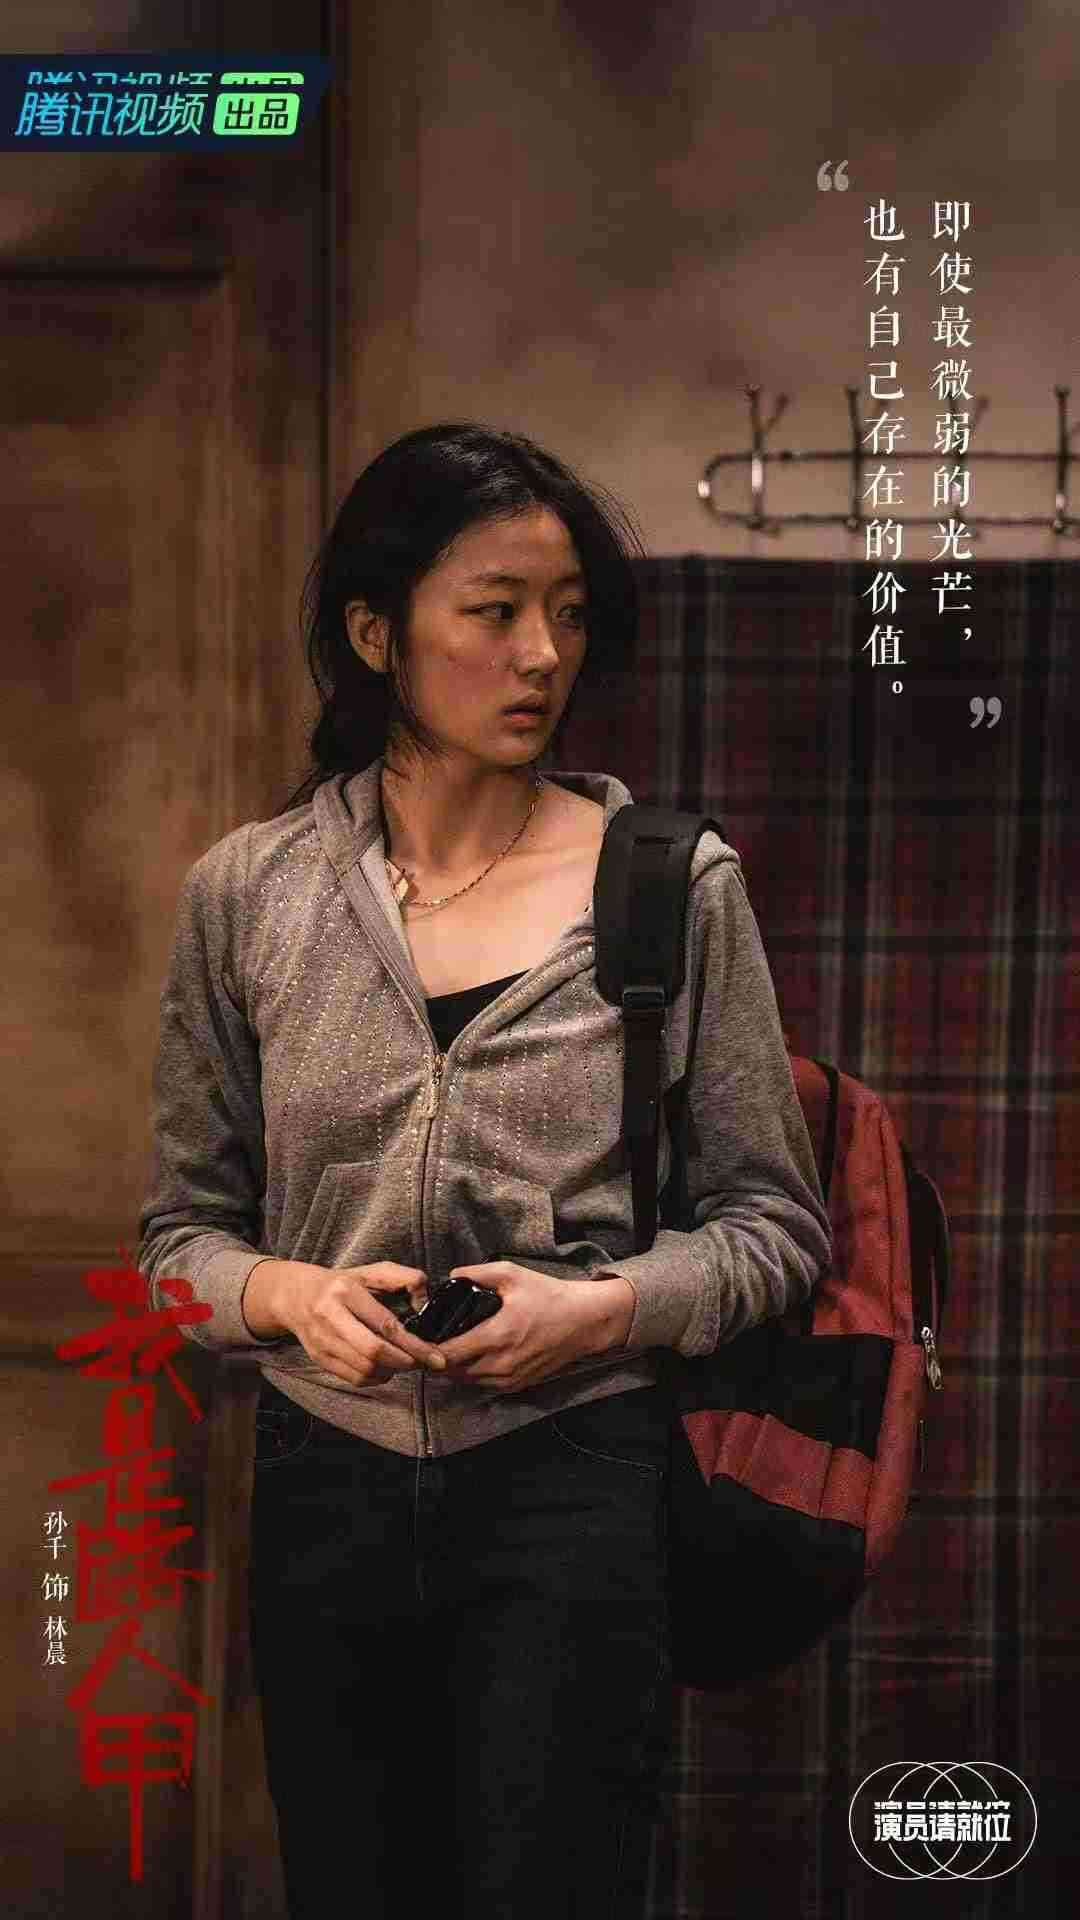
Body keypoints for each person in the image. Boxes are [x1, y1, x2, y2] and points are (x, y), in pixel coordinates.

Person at [138, 422, 831, 1920]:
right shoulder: (248, 895)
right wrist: (287, 1298)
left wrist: (602, 1310)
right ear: (376, 633)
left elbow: (778, 1228)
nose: (543, 656)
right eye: (496, 610)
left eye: (568, 615)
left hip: (576, 1484)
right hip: (325, 1486)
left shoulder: (667, 883)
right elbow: (176, 1246)